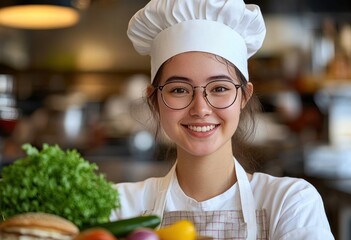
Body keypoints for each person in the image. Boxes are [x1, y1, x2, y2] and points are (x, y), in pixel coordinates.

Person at [110, 0, 334, 239]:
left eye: (219, 88)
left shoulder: (290, 203)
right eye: (179, 90)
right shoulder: (121, 208)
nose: (200, 108)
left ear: (244, 96)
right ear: (154, 100)